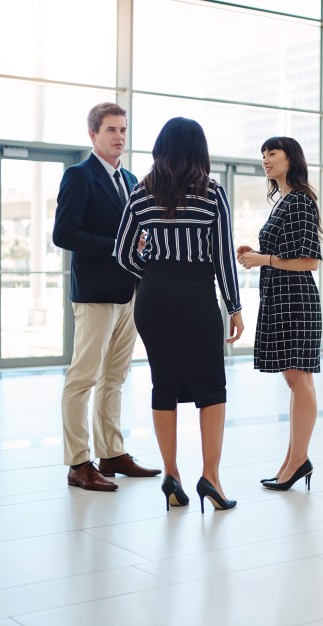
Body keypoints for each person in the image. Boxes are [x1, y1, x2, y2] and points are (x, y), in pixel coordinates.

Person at [115, 117, 244, 512]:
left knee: (163, 385)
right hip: (198, 299)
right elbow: (223, 256)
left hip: (154, 301)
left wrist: (150, 274)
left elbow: (121, 253)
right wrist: (234, 307)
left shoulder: (140, 192)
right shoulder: (212, 193)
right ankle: (212, 478)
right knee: (211, 390)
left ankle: (172, 476)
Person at [52, 102, 160, 492]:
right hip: (95, 294)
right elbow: (64, 233)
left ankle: (111, 453)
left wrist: (142, 246)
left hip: (128, 292)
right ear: (93, 135)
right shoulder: (79, 177)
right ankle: (79, 462)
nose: (119, 136)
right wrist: (119, 245)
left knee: (115, 377)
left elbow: (136, 234)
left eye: (123, 130)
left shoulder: (131, 180)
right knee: (83, 377)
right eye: (111, 130)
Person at [237, 136, 322, 492]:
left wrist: (263, 259)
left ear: (291, 158)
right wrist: (257, 253)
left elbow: (310, 261)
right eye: (263, 154)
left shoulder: (301, 200)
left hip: (296, 299)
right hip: (281, 296)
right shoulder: (285, 200)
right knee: (297, 380)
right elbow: (286, 252)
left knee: (297, 380)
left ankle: (297, 460)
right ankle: (293, 460)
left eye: (272, 153)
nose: (265, 159)